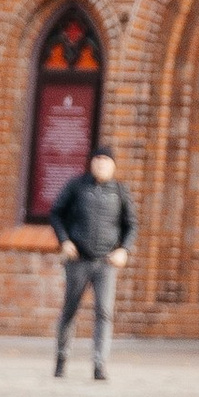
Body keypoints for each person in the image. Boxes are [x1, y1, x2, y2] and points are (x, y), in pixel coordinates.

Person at [50, 148, 133, 382]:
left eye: (106, 161)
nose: (101, 164)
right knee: (70, 310)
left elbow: (131, 224)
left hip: (105, 262)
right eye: (97, 160)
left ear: (113, 166)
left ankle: (99, 364)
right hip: (78, 259)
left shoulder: (119, 191)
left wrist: (124, 249)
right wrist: (64, 241)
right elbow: (56, 213)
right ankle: (61, 358)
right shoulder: (77, 187)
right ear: (91, 163)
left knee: (104, 313)